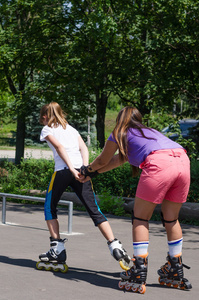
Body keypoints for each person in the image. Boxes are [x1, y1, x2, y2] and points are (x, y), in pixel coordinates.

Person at [79, 106, 192, 294]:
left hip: (159, 164)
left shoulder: (119, 132)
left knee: (140, 218)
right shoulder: (148, 132)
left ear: (120, 119)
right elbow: (116, 161)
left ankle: (138, 271)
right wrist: (94, 174)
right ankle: (175, 268)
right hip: (182, 160)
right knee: (171, 219)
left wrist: (86, 170)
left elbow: (102, 160)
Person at [36, 102, 130, 273]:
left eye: (42, 119)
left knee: (50, 207)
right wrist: (85, 169)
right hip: (81, 171)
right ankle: (115, 245)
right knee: (95, 210)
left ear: (44, 117)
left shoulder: (47, 129)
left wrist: (71, 169)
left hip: (63, 171)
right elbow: (83, 147)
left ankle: (57, 249)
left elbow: (59, 147)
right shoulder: (72, 129)